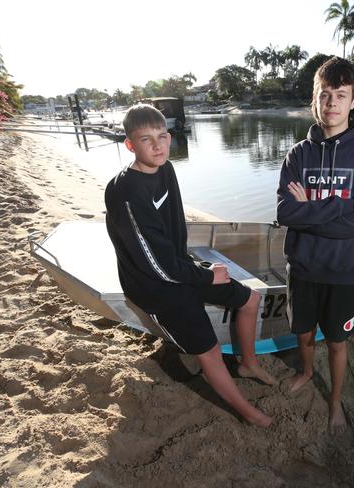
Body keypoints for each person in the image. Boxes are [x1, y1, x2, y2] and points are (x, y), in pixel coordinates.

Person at [105, 104, 275, 427]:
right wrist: (207, 277)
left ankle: (248, 363)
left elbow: (173, 234)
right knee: (209, 351)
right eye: (145, 140)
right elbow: (155, 264)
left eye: (162, 136)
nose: (157, 146)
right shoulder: (124, 193)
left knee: (250, 299)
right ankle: (248, 413)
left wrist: (198, 271)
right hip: (154, 286)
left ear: (169, 137)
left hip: (179, 267)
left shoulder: (165, 169)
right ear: (129, 145)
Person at [276, 57, 354, 435]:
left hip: (341, 271)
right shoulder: (298, 154)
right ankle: (307, 372)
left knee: (337, 342)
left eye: (341, 95)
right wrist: (338, 206)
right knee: (303, 334)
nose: (332, 103)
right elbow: (284, 212)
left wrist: (309, 208)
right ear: (315, 99)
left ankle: (335, 401)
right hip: (302, 267)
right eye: (325, 95)